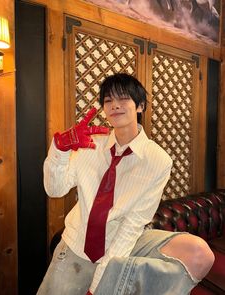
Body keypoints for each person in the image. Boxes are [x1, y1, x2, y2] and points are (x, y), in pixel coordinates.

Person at [37, 73, 214, 295]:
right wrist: (59, 150)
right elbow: (55, 190)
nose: (115, 105)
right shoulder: (89, 144)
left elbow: (133, 224)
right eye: (108, 100)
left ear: (140, 106)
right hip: (76, 244)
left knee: (199, 253)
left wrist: (100, 284)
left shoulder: (158, 160)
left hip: (124, 241)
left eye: (123, 98)